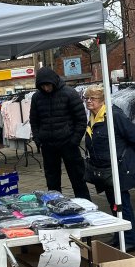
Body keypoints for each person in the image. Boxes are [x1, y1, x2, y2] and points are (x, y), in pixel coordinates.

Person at [84, 85, 135, 252]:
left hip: (119, 167)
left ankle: (130, 240)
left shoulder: (114, 116)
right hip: (105, 170)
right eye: (87, 98)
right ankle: (120, 236)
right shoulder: (93, 116)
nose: (89, 101)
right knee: (114, 205)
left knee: (122, 204)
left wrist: (129, 159)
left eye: (93, 98)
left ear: (102, 100)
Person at [29, 67, 91, 200]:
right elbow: (34, 121)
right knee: (52, 181)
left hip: (68, 143)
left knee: (78, 178)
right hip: (48, 145)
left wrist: (74, 141)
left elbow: (81, 119)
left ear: (53, 81)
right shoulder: (36, 97)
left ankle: (86, 205)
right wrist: (38, 139)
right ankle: (56, 205)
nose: (46, 88)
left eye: (48, 85)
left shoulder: (69, 93)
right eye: (43, 86)